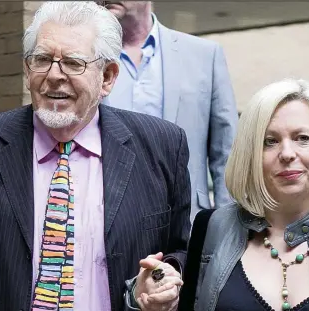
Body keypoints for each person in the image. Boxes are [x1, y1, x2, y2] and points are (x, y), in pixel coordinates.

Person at [0, 2, 190, 311]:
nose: (54, 75)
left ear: (108, 77)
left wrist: (163, 286)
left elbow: (181, 250)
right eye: (42, 60)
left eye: (72, 63)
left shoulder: (162, 146)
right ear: (27, 69)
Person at [132, 79, 309, 311]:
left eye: (302, 138)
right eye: (270, 141)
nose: (287, 153)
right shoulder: (214, 227)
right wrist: (149, 300)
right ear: (250, 153)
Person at [100, 1, 239, 221]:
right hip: (109, 221)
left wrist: (228, 225)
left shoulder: (204, 55)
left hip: (189, 220)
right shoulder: (87, 59)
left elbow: (226, 151)